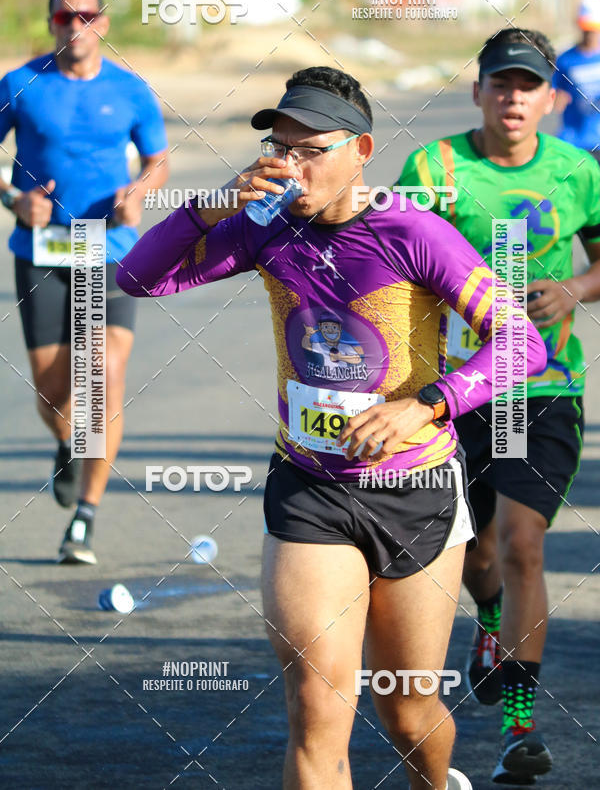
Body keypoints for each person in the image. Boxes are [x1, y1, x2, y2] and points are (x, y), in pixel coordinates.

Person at [117, 65, 546, 790]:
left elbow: (521, 345)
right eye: (280, 147)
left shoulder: (415, 234)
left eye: (310, 148)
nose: (290, 164)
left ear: (361, 150)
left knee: (409, 712)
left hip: (416, 493)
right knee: (317, 707)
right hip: (310, 488)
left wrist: (427, 403)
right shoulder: (264, 233)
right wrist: (209, 210)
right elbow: (136, 278)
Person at [397, 28, 600, 784]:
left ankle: (520, 728)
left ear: (550, 97)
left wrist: (573, 289)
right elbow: (394, 258)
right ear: (478, 90)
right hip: (456, 392)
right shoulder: (435, 168)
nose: (513, 98)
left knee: (521, 546)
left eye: (529, 86)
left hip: (544, 389)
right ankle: (486, 623)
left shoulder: (580, 171)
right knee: (477, 554)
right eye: (501, 84)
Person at [0, 0, 169, 564]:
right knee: (52, 390)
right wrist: (12, 199)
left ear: (104, 23)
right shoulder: (21, 85)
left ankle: (85, 518)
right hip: (42, 249)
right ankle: (70, 444)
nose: (75, 27)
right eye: (63, 18)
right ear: (52, 24)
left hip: (107, 246)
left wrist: (139, 192)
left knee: (103, 376)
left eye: (86, 16)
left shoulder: (130, 90)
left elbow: (156, 160)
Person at [553, 0, 600, 159]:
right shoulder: (565, 60)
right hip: (575, 142)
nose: (589, 34)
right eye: (586, 29)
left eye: (593, 29)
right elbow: (553, 96)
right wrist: (557, 99)